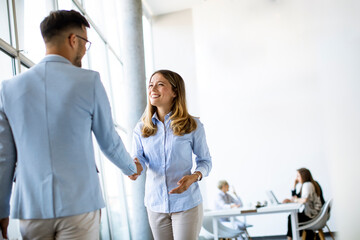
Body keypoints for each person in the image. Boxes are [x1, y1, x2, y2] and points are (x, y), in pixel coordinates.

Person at [0, 10, 142, 240]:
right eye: (85, 42)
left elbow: (4, 157)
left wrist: (1, 208)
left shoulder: (9, 88)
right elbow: (109, 141)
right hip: (80, 203)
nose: (85, 49)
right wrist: (130, 168)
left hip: (31, 208)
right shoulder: (90, 81)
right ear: (73, 40)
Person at [130, 70, 212, 240]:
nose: (153, 88)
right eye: (151, 84)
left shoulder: (193, 125)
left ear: (175, 92)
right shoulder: (141, 129)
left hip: (186, 203)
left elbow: (205, 161)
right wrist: (135, 168)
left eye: (160, 84)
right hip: (155, 205)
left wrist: (194, 176)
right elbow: (139, 160)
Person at [282, 168, 324, 240]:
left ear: (303, 176)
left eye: (298, 176)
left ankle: (290, 238)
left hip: (312, 215)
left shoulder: (307, 185)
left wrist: (295, 200)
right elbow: (297, 197)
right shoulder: (309, 184)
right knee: (293, 217)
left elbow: (304, 200)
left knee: (292, 217)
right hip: (316, 214)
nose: (296, 178)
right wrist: (294, 186)